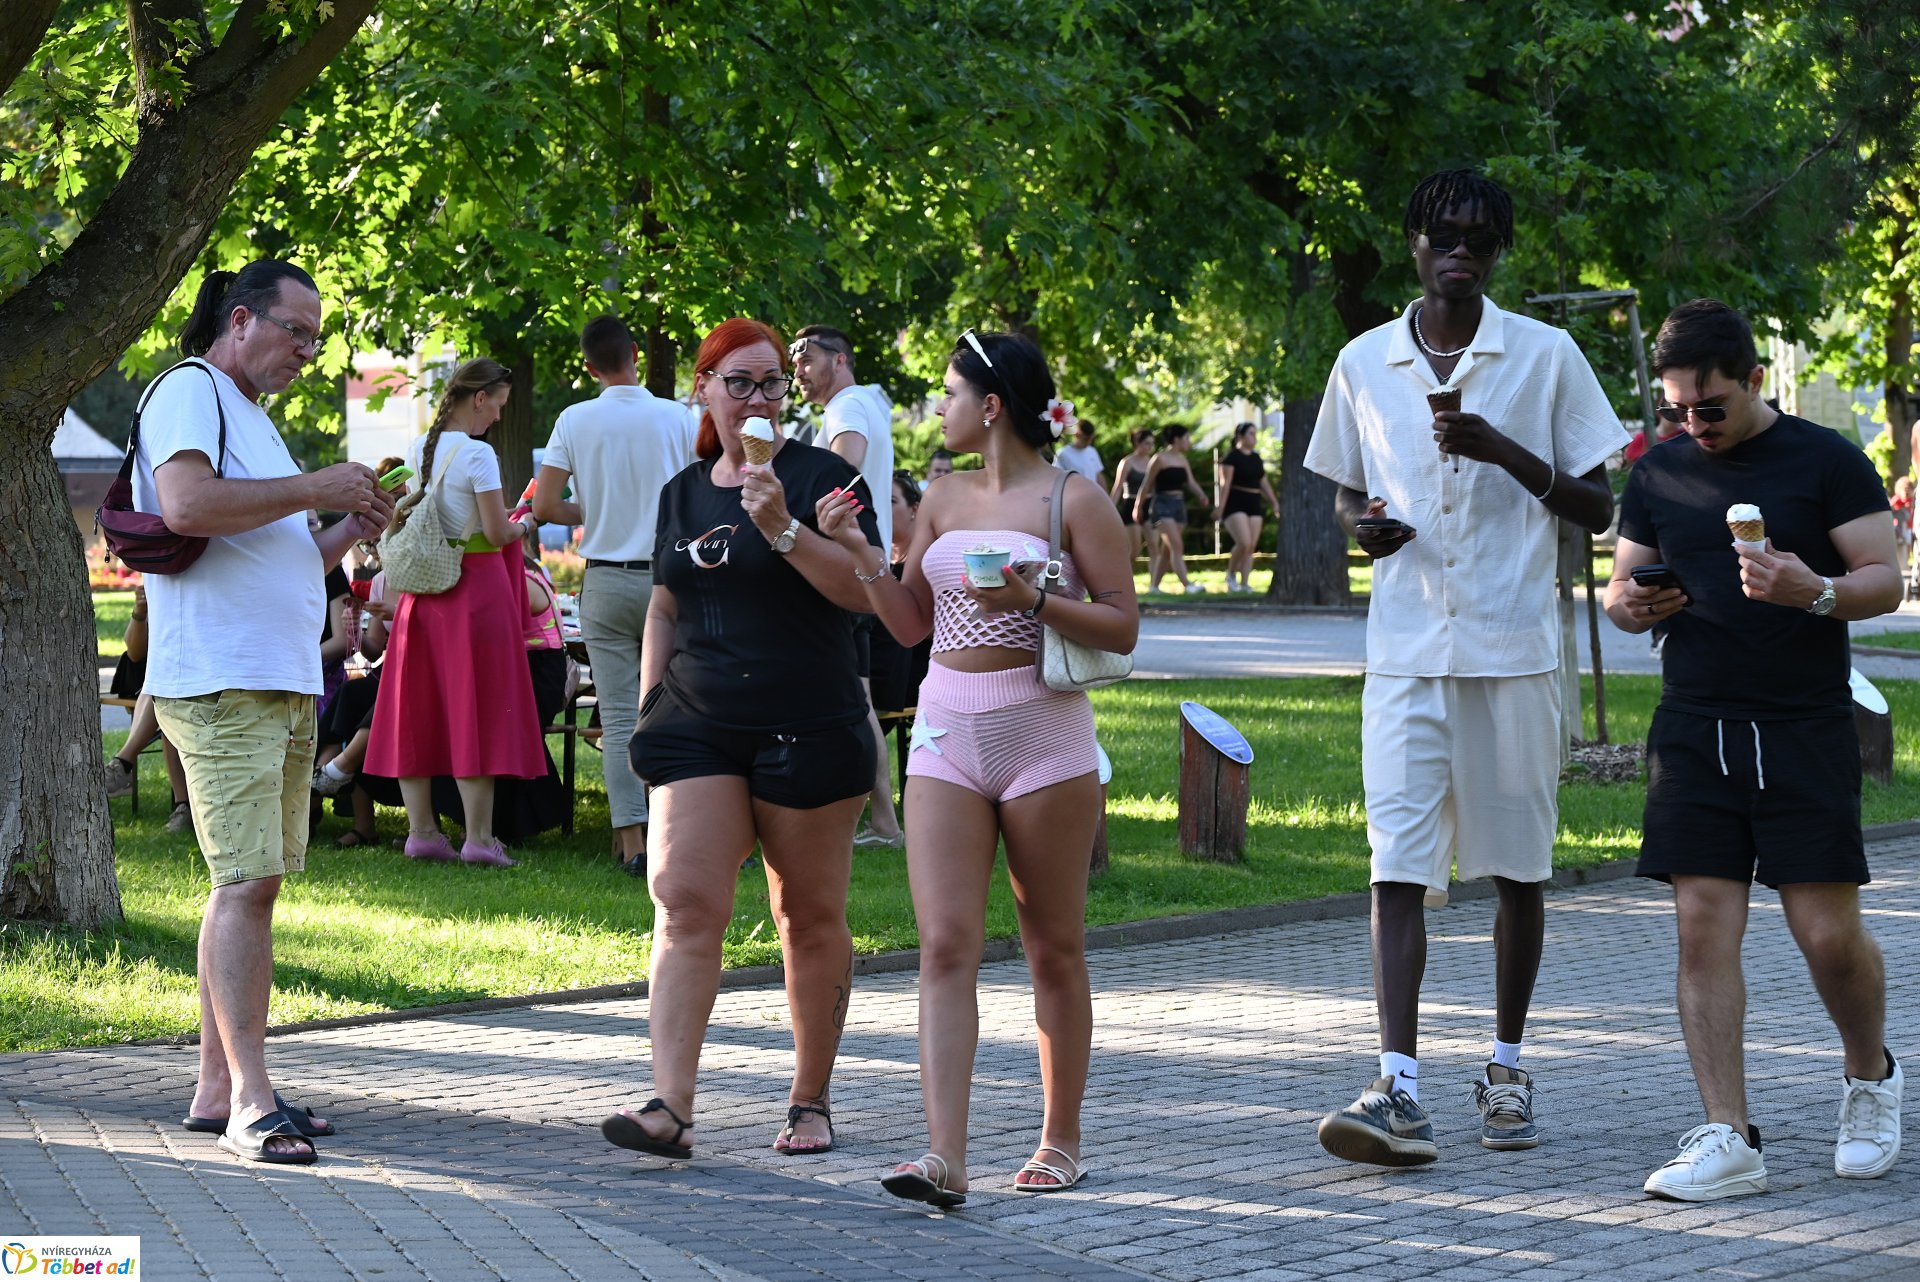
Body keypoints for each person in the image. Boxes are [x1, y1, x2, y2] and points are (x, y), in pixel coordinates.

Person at [1303, 169, 1625, 1166]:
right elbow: (1350, 496)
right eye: (1443, 233)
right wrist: (1368, 532)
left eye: (1480, 240)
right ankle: (1397, 1081)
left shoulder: (1547, 355)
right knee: (1395, 864)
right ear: (1412, 241)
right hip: (1402, 655)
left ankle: (1508, 1063)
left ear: (1498, 254)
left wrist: (1503, 452)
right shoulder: (1363, 361)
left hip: (1512, 649)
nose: (1461, 252)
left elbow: (1600, 506)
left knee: (1517, 868)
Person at [820, 329, 1138, 1207]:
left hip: (1046, 737)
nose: (941, 408)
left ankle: (1059, 1138)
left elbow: (1122, 626)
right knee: (946, 943)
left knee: (1053, 947)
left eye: (951, 394)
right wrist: (857, 555)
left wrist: (1035, 599)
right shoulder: (943, 497)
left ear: (991, 405)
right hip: (947, 734)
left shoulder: (1074, 497)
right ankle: (944, 1158)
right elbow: (911, 623)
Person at [1605, 298, 1903, 1202]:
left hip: (1804, 725)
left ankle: (1869, 1079)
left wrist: (1812, 591)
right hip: (1696, 723)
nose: (1694, 426)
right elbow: (1620, 586)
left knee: (1823, 930)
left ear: (1755, 382)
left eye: (1711, 407)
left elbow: (1883, 582)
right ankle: (1728, 1135)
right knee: (1701, 924)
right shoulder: (1657, 476)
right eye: (1677, 411)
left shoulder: (1826, 460)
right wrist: (1633, 606)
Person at [599, 318, 881, 1164]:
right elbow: (665, 604)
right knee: (683, 901)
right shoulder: (682, 491)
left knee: (806, 915)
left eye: (773, 384)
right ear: (705, 391)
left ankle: (810, 1098)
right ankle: (670, 1108)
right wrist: (651, 702)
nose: (759, 399)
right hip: (699, 723)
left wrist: (785, 527)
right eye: (741, 383)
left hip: (808, 722)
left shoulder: (823, 475)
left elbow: (868, 594)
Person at [136, 259, 396, 1164]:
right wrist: (314, 486)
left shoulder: (254, 419)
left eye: (316, 338)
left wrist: (347, 528)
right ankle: (251, 1100)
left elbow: (278, 551)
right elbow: (187, 505)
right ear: (239, 320)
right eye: (298, 331)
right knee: (244, 885)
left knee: (254, 884)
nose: (307, 351)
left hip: (276, 679)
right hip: (221, 678)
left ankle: (219, 1087)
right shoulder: (190, 391)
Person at [364, 358, 548, 868]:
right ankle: (479, 839)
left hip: (422, 594)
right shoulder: (478, 455)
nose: (499, 418)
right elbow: (494, 532)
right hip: (474, 594)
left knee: (416, 709)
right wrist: (526, 522)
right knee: (477, 708)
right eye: (500, 405)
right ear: (481, 398)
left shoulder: (415, 448)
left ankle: (422, 831)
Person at [533, 316, 696, 872]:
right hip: (672, 578)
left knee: (622, 715)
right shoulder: (679, 417)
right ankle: (683, 830)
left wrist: (596, 509)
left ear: (588, 366)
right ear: (634, 353)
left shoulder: (574, 419)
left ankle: (632, 842)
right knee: (682, 708)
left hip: (604, 577)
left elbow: (544, 509)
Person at [791, 324, 902, 847]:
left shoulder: (846, 408)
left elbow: (841, 470)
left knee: (838, 701)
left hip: (838, 571)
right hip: (859, 566)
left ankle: (842, 815)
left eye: (806, 359)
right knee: (855, 700)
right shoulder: (864, 405)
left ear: (839, 360)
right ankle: (882, 820)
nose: (797, 371)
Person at [103, 584, 193, 832]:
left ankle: (123, 764)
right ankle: (183, 807)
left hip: (192, 682)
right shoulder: (165, 591)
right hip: (155, 682)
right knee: (164, 698)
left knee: (168, 706)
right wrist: (141, 611)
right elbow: (134, 653)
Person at [1134, 424, 1208, 594]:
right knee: (1177, 545)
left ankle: (1154, 587)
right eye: (1186, 438)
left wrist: (1201, 494)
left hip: (1178, 505)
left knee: (1168, 550)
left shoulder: (1182, 460)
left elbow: (1190, 481)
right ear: (1176, 439)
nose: (1189, 442)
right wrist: (1138, 506)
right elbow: (1147, 484)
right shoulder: (1159, 459)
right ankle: (1188, 585)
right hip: (1162, 505)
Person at [1215, 422, 1279, 594]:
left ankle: (1245, 583)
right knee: (1244, 542)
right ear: (1240, 436)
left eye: (1255, 433)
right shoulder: (1231, 458)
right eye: (1251, 433)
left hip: (1254, 501)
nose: (1254, 437)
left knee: (1251, 546)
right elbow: (1225, 484)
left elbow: (1263, 482)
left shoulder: (1256, 458)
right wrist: (1220, 508)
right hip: (1236, 502)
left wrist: (1274, 502)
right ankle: (1230, 575)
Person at [1110, 427, 1156, 569]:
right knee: (1134, 550)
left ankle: (1154, 586)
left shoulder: (1154, 462)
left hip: (1150, 504)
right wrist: (1109, 508)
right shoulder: (1127, 462)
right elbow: (1118, 488)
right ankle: (1122, 578)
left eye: (1152, 443)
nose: (1150, 447)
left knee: (1154, 547)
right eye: (1147, 443)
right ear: (1137, 443)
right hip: (1130, 504)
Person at [1053, 419, 1106, 490]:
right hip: (1073, 495)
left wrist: (1106, 497)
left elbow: (1098, 475)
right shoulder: (1063, 454)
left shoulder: (1092, 451)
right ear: (1077, 435)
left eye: (1091, 439)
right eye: (1086, 439)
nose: (1089, 442)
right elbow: (1057, 478)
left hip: (1093, 495)